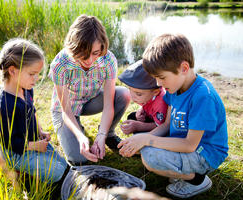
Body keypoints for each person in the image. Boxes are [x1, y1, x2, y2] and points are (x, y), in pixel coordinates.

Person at [118, 34, 229, 198]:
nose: (158, 84)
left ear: (184, 68)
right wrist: (140, 139)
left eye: (161, 77)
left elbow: (190, 145)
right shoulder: (175, 88)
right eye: (155, 78)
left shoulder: (203, 97)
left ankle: (198, 180)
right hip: (185, 144)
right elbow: (166, 125)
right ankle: (180, 169)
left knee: (150, 155)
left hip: (204, 153)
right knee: (144, 145)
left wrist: (147, 140)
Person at [49, 15, 130, 164]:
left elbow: (108, 105)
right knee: (78, 159)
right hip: (65, 108)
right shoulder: (60, 64)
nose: (89, 60)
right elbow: (66, 111)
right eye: (83, 54)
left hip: (91, 100)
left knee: (123, 94)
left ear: (102, 48)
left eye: (95, 53)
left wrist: (101, 135)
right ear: (74, 47)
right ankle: (78, 131)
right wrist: (80, 136)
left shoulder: (108, 60)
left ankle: (108, 135)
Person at [0, 38, 68, 184]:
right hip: (17, 152)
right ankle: (21, 171)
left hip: (33, 142)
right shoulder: (5, 106)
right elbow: (10, 143)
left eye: (37, 74)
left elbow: (32, 112)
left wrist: (40, 132)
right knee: (58, 174)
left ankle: (35, 168)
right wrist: (35, 146)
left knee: (64, 167)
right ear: (13, 71)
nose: (36, 78)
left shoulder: (26, 89)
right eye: (32, 74)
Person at [118, 60, 168, 134]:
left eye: (138, 94)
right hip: (151, 115)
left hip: (158, 125)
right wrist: (141, 110)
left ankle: (141, 139)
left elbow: (160, 126)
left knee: (136, 123)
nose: (133, 97)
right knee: (132, 116)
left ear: (155, 92)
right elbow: (147, 104)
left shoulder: (160, 103)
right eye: (130, 89)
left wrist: (139, 126)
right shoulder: (146, 95)